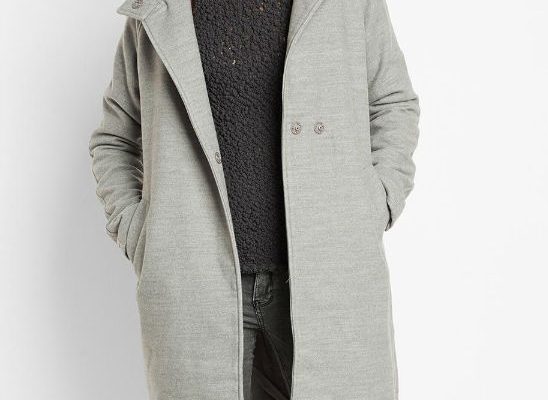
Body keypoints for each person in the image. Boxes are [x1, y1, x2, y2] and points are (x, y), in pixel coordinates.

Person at [89, 0, 419, 399]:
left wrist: (375, 203)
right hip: (195, 285)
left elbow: (393, 103)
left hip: (329, 276)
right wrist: (140, 233)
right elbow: (115, 137)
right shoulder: (162, 9)